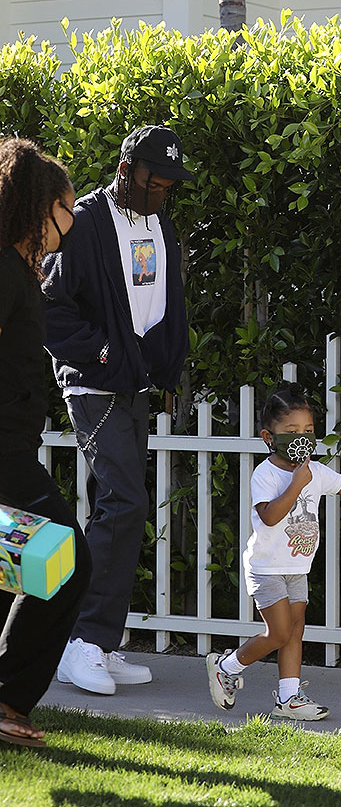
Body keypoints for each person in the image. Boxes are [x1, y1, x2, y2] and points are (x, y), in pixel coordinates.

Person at [42, 126, 192, 695]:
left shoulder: (159, 223)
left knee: (124, 507)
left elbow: (159, 301)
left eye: (172, 182)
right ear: (128, 168)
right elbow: (50, 307)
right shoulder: (85, 222)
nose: (165, 191)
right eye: (157, 179)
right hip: (95, 386)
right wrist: (101, 351)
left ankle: (98, 642)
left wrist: (162, 365)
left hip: (135, 386)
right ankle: (80, 643)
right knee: (122, 502)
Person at [206, 384, 341, 720]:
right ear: (269, 437)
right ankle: (227, 666)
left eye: (308, 430)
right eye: (291, 431)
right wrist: (296, 483)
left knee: (295, 632)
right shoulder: (266, 474)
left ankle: (288, 698)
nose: (302, 437)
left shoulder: (316, 472)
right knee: (279, 632)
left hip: (297, 568)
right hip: (266, 568)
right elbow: (269, 516)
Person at [0, 137, 91, 747]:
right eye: (68, 207)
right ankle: (8, 697)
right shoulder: (5, 269)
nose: (74, 218)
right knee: (62, 556)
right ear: (42, 206)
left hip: (13, 448)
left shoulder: (16, 268)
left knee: (31, 562)